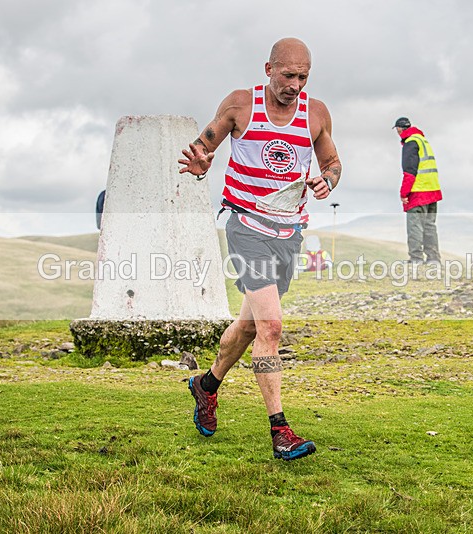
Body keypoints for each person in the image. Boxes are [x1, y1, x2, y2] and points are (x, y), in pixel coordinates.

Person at [178, 37, 341, 461]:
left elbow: (332, 163)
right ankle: (280, 430)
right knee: (271, 327)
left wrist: (328, 180)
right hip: (247, 227)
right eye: (288, 75)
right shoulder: (239, 105)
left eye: (303, 76)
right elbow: (203, 147)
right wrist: (200, 164)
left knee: (251, 326)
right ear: (268, 69)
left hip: (289, 232)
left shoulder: (316, 113)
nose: (295, 84)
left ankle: (206, 385)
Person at [394, 117, 443, 264]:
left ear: (399, 129)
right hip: (433, 190)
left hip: (418, 191)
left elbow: (409, 172)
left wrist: (404, 193)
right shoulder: (423, 141)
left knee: (415, 226)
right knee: (429, 226)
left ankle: (416, 258)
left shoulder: (410, 143)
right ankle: (433, 259)